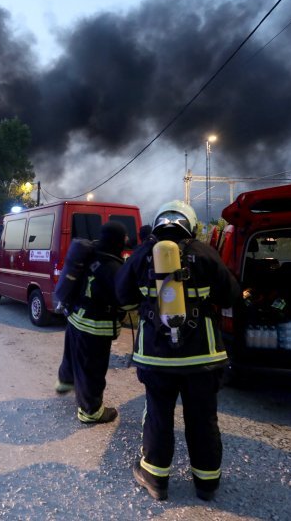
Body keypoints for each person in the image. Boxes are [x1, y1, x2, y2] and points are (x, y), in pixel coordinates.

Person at [116, 200, 240, 502]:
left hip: (156, 357)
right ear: (192, 225)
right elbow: (231, 296)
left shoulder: (142, 255)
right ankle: (207, 484)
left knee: (159, 415)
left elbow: (122, 298)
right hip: (203, 357)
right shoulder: (205, 253)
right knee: (203, 418)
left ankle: (156, 479)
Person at [56, 221, 132, 424]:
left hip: (75, 318)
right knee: (93, 369)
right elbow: (124, 301)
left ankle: (65, 382)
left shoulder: (89, 256)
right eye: (123, 239)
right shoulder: (114, 268)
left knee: (72, 356)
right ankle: (91, 411)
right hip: (95, 327)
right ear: (117, 241)